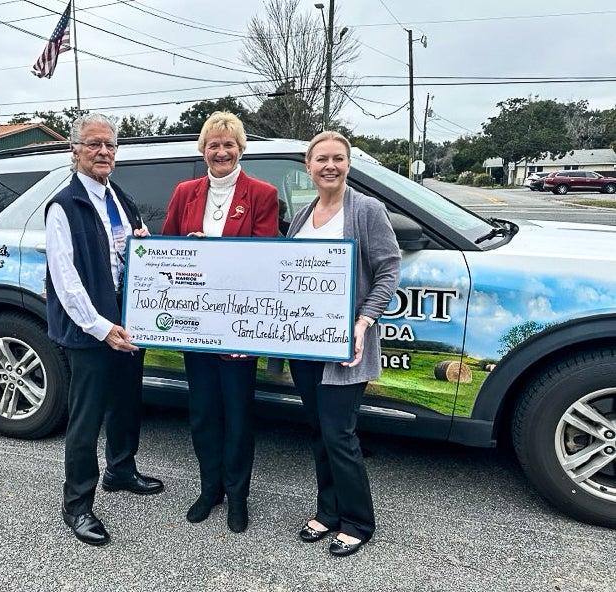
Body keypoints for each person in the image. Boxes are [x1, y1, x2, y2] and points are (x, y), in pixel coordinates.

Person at [45, 113, 164, 546]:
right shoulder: (65, 205)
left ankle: (121, 469)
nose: (103, 152)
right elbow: (65, 276)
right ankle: (76, 505)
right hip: (91, 331)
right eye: (94, 144)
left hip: (127, 322)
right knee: (86, 417)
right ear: (75, 150)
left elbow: (127, 253)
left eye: (110, 145)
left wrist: (145, 245)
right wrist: (99, 327)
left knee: (126, 402)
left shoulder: (121, 199)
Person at [161, 111, 279, 533]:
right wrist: (185, 249)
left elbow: (266, 256)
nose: (222, 151)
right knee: (204, 413)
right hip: (195, 323)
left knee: (238, 414)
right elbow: (167, 249)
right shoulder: (185, 192)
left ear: (240, 148)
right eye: (214, 144)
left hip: (239, 325)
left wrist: (215, 250)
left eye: (229, 144)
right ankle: (209, 488)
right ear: (203, 150)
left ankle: (237, 495)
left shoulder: (262, 194)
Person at [286, 131, 400, 557]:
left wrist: (364, 320)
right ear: (308, 167)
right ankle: (328, 511)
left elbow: (389, 271)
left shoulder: (366, 210)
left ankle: (357, 521)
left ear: (348, 164)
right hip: (304, 346)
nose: (329, 166)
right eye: (321, 160)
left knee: (339, 434)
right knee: (318, 432)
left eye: (338, 158)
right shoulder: (302, 216)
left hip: (344, 349)